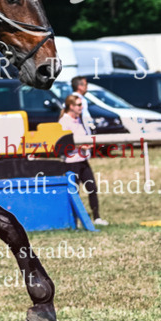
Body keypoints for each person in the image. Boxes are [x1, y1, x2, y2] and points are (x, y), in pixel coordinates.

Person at [58, 93, 107, 226]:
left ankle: (96, 217)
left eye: (82, 105)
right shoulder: (64, 121)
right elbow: (64, 143)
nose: (81, 107)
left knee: (92, 188)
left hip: (83, 160)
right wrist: (82, 145)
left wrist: (88, 144)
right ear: (71, 106)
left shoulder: (80, 119)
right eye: (79, 105)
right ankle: (75, 220)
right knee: (74, 192)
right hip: (71, 162)